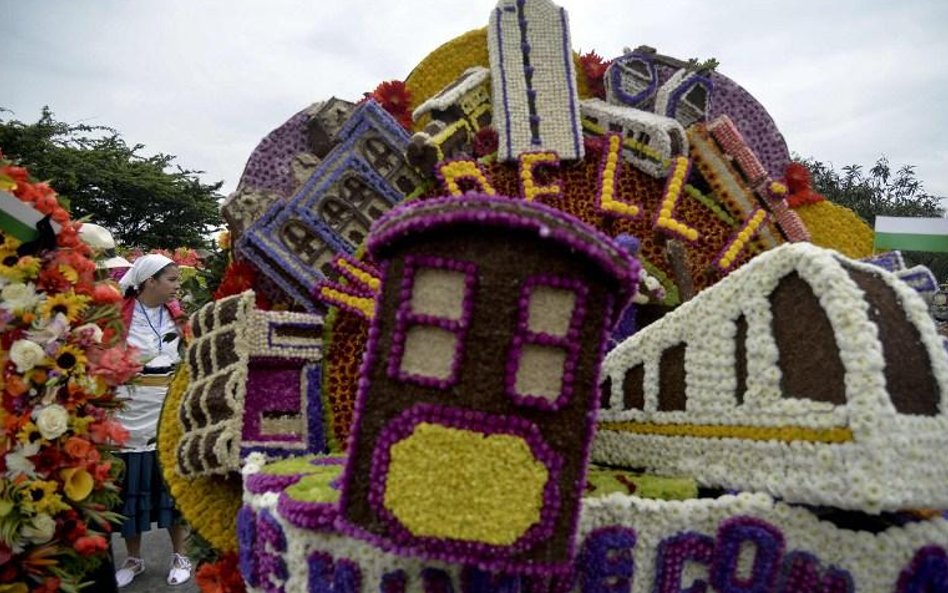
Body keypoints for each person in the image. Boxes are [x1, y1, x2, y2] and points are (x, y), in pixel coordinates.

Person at [113, 254, 192, 587]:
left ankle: (180, 554)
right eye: (171, 280)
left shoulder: (176, 315)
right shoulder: (119, 315)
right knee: (132, 483)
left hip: (167, 408)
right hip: (128, 410)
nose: (177, 286)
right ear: (150, 282)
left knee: (169, 484)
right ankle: (134, 558)